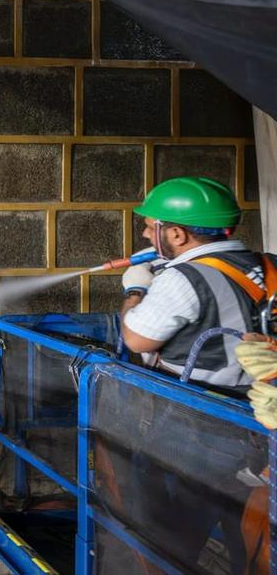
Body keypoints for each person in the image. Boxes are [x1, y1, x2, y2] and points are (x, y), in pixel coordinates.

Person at [116, 176, 276, 574]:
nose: (143, 232)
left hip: (199, 429)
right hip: (262, 421)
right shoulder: (270, 265)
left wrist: (135, 291)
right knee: (251, 532)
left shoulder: (183, 279)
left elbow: (136, 339)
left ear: (176, 233)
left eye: (150, 226)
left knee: (169, 535)